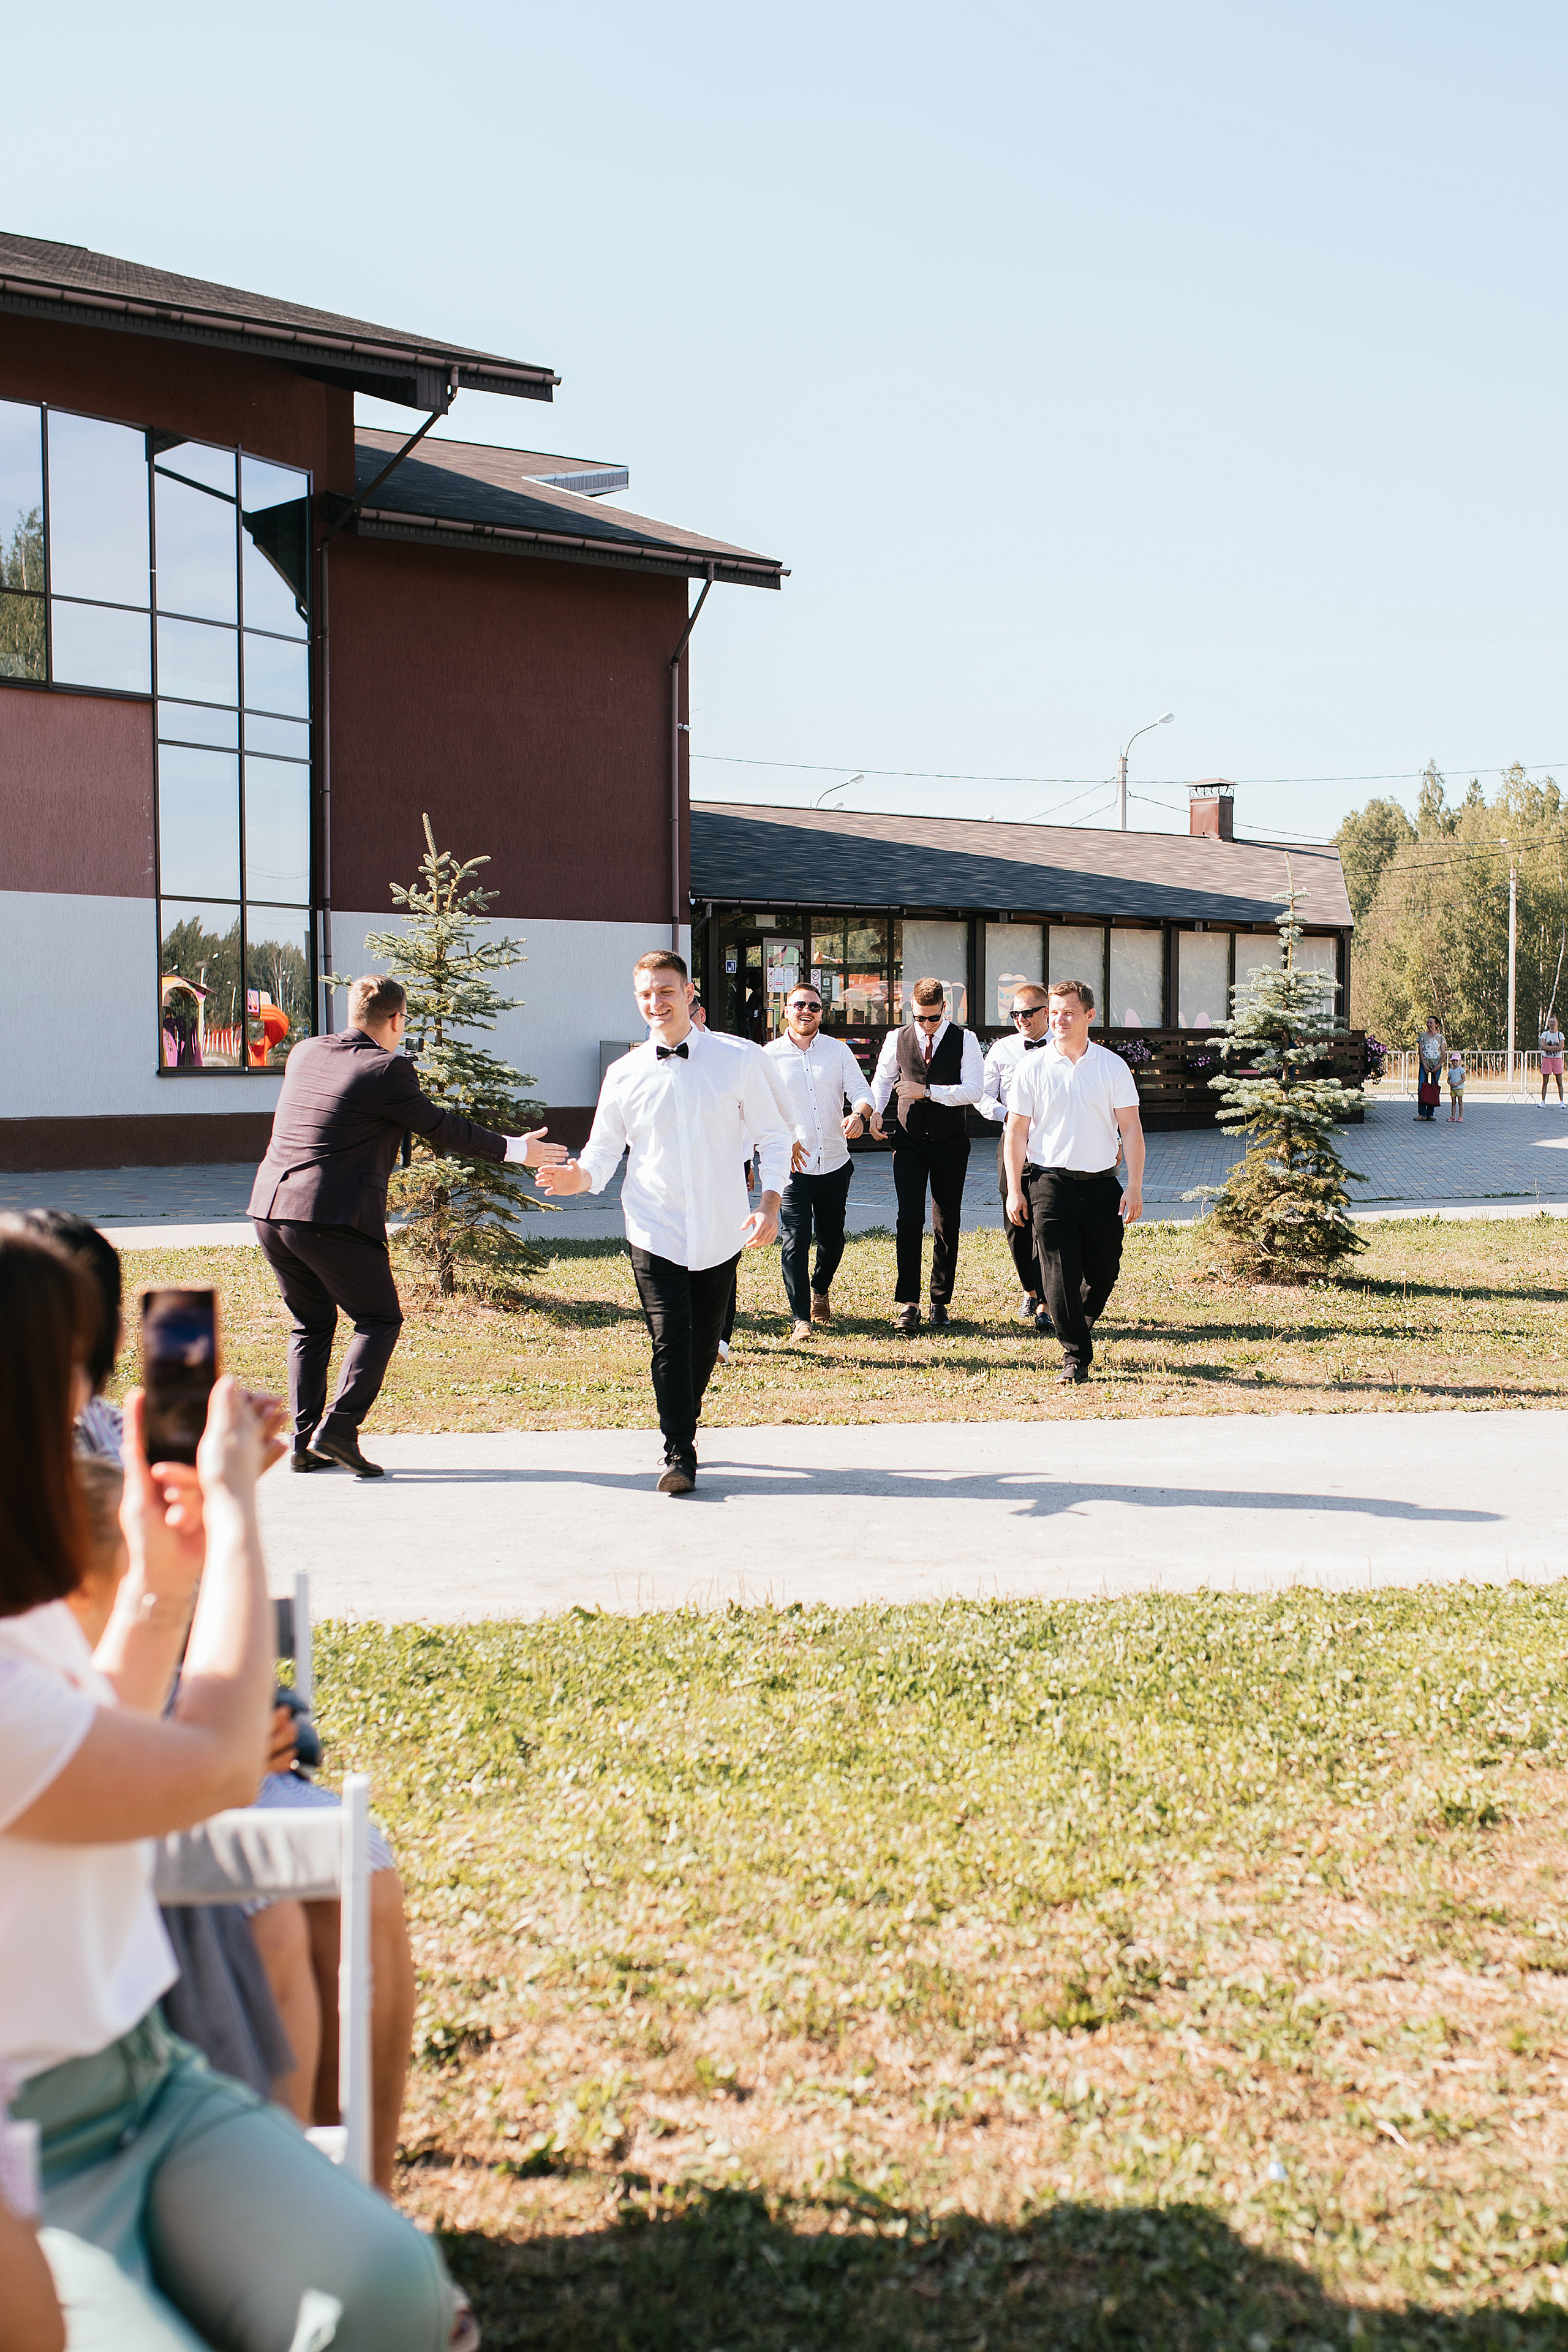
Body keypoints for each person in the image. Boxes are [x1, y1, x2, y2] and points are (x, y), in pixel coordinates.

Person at [0, 1221, 470, 2352]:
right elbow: (210, 1765)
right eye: (70, 1360)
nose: (94, 1384)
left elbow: (95, 1729)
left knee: (389, 2297)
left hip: (141, 2085)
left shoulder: (20, 1598)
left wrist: (164, 1587)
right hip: (22, 2144)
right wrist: (236, 1521)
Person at [249, 973, 567, 1479]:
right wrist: (520, 1150)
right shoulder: (387, 1069)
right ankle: (340, 1429)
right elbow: (443, 1128)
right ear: (397, 1020)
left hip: (270, 1210)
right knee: (378, 1320)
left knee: (311, 1324)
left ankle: (304, 1443)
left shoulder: (306, 1052)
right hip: (332, 1216)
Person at [536, 950, 791, 1493]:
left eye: (666, 991)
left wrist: (769, 1204)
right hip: (653, 1228)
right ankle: (679, 1451)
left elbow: (773, 1136)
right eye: (646, 994)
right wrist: (574, 1179)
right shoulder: (623, 1074)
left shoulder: (737, 1060)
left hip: (723, 1229)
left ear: (690, 991)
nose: (656, 1002)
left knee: (702, 1346)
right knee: (670, 1340)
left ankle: (683, 1421)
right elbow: (601, 1156)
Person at [1003, 978, 1145, 1386]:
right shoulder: (1032, 1067)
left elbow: (1131, 1130)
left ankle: (1078, 1320)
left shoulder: (1111, 1066)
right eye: (1054, 1012)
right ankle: (1075, 1357)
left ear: (1089, 1016)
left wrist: (1134, 1187)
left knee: (1103, 1271)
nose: (1059, 1019)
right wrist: (1016, 1189)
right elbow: (1016, 1132)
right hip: (1050, 1184)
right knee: (1058, 1273)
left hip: (1103, 1185)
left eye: (1068, 1012)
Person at [869, 976, 984, 1332]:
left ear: (944, 1009)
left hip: (951, 1142)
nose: (925, 1025)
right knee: (908, 1220)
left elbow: (975, 1091)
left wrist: (929, 1091)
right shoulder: (896, 1039)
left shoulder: (966, 1039)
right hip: (908, 1141)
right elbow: (883, 1080)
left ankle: (940, 1301)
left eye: (932, 1018)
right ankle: (908, 1302)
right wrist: (873, 1110)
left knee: (946, 1222)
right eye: (919, 1018)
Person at [763, 982, 876, 1340]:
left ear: (821, 1013)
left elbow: (862, 1092)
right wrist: (784, 1141)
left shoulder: (838, 1052)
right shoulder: (768, 1056)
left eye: (813, 1006)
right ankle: (801, 1319)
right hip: (792, 1168)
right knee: (795, 1238)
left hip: (834, 1162)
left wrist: (859, 1115)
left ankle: (820, 1289)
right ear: (787, 1011)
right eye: (799, 1005)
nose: (806, 1011)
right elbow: (759, 1108)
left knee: (832, 1239)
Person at [979, 983, 1054, 1326]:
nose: (1021, 1019)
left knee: (1048, 1223)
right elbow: (983, 1097)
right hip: (1013, 1144)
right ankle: (1030, 1289)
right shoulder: (1001, 1049)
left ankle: (1046, 1302)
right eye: (1015, 1014)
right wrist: (1009, 1116)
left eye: (1027, 1012)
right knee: (1017, 1220)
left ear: (1046, 1011)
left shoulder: (1063, 1046)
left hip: (1054, 1148)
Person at [1415, 1013, 1444, 1121]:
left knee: (1433, 1088)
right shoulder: (1422, 1036)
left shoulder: (1440, 1038)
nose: (1429, 1024)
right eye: (1428, 1022)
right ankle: (1422, 1113)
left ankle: (1430, 1114)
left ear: (1436, 1025)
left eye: (1431, 1022)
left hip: (1436, 1065)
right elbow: (1420, 1051)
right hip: (1425, 1065)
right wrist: (1425, 1064)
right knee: (1421, 1088)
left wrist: (1438, 1065)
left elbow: (1443, 1053)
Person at [1540, 1007, 1564, 1103]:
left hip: (1557, 1059)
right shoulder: (1545, 1034)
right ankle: (1543, 1101)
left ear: (1557, 1023)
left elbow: (1560, 1048)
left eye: (1554, 1022)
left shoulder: (1560, 1035)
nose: (1552, 1024)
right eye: (1551, 1022)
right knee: (1545, 1081)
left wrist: (1549, 1048)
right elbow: (1543, 1046)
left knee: (1559, 1081)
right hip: (1547, 1059)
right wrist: (1554, 1048)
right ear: (1549, 1023)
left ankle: (1562, 1101)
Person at [1447, 1050, 1466, 1122]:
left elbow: (1464, 1079)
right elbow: (1448, 1079)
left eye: (1456, 1061)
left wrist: (1457, 1084)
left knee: (1460, 1102)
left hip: (1459, 1088)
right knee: (1453, 1102)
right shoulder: (1451, 1071)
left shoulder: (1461, 1070)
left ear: (1459, 1061)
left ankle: (1460, 1116)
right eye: (1453, 1061)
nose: (1455, 1062)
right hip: (1453, 1089)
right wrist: (1450, 1083)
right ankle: (1453, 1116)